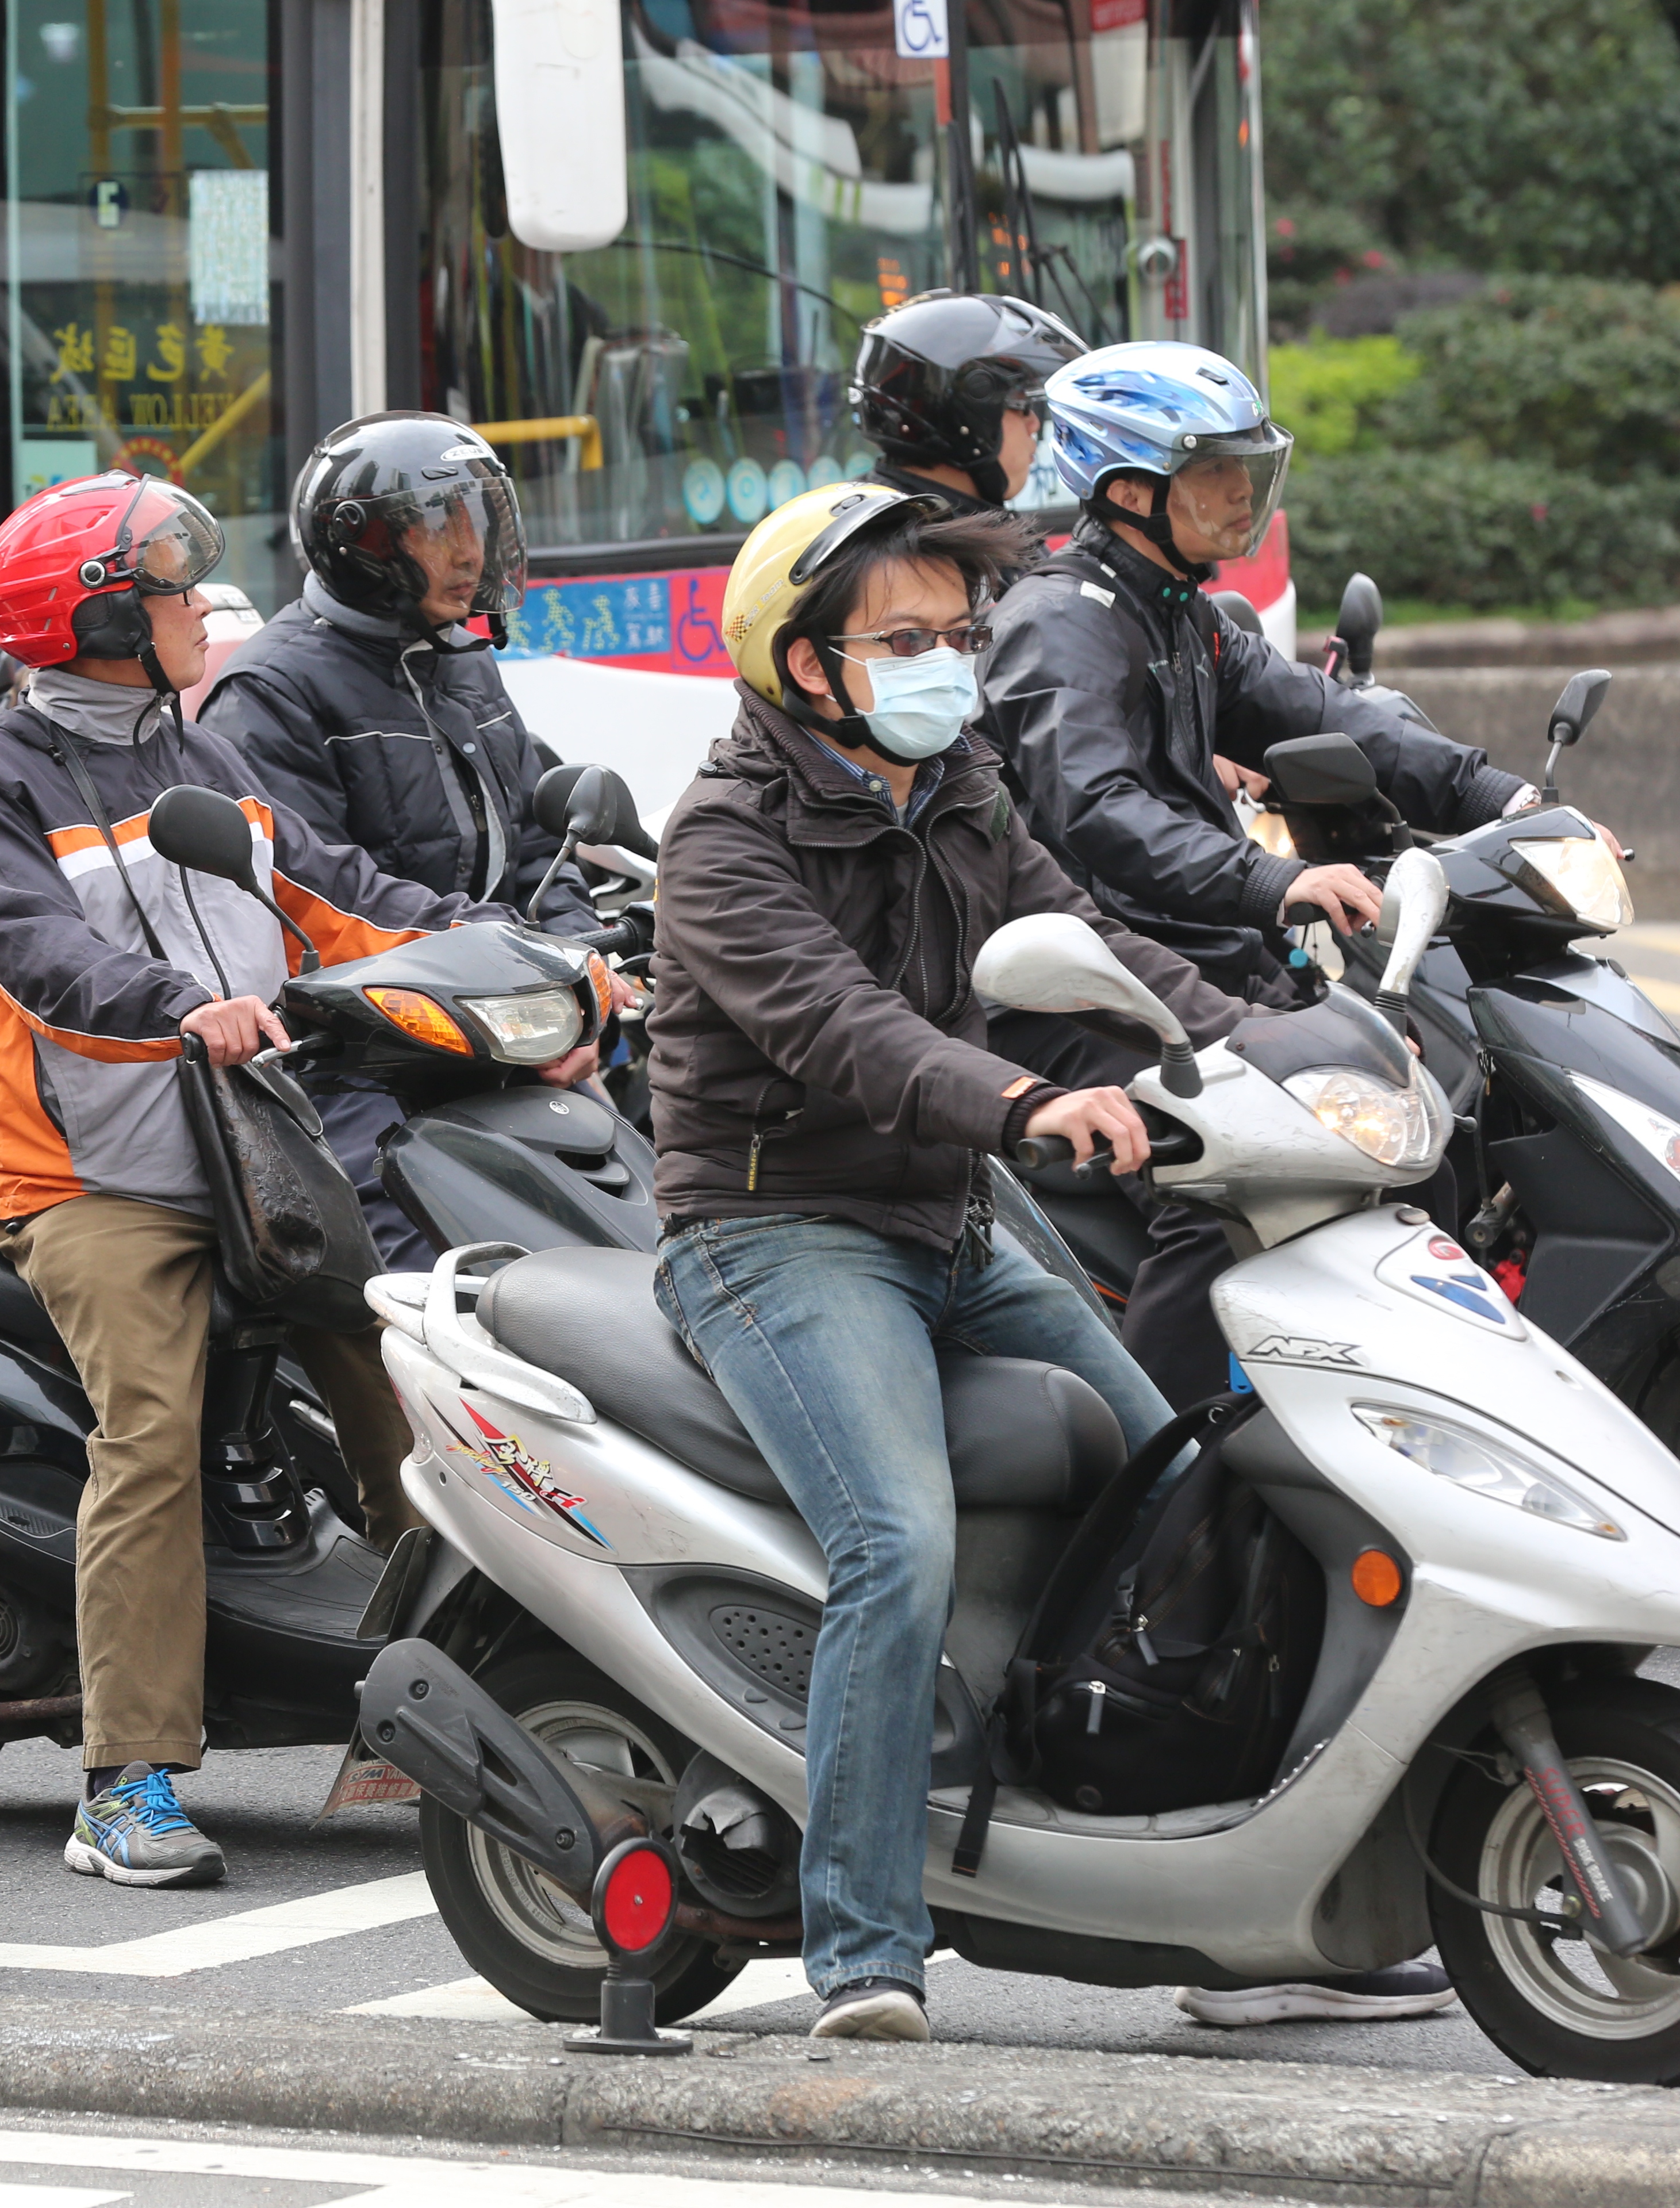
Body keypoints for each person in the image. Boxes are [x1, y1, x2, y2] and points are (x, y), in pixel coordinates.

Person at [650, 479, 1453, 2041]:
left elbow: (1090, 945)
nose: (946, 661)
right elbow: (844, 1029)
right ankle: (863, 1945)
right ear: (807, 663)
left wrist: (1281, 1045)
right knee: (896, 1543)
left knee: (1193, 1498)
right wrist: (1024, 1101)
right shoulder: (724, 839)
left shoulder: (954, 784)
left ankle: (1223, 1916)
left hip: (950, 1219)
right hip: (772, 1232)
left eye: (956, 633)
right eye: (906, 638)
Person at [0, 471, 587, 1889]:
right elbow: (38, 958)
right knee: (149, 1434)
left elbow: (339, 894)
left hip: (248, 1147)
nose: (199, 613)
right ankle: (126, 1779)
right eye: (169, 592)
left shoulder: (195, 756)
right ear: (100, 619)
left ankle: (466, 1708)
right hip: (84, 1175)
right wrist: (181, 1006)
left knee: (418, 1382)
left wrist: (523, 956)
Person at [981, 342, 1531, 1410]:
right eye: (1214, 473)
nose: (1244, 494)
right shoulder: (1061, 623)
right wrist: (1267, 880)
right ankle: (1162, 1455)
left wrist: (1498, 797)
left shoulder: (1178, 613)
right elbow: (1096, 809)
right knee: (1235, 1179)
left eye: (1250, 469)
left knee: (1419, 1122)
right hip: (1078, 985)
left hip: (1185, 960)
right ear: (1130, 491)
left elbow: (1325, 710)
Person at [200, 412, 607, 1268]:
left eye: (481, 524)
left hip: (501, 1020)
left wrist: (579, 971)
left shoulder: (461, 656)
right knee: (436, 1291)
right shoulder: (272, 690)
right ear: (368, 545)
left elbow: (537, 842)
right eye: (441, 529)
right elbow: (320, 891)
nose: (471, 553)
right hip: (361, 1061)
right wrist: (506, 955)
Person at [850, 291, 1090, 518]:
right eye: (1022, 405)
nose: (1034, 424)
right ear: (967, 415)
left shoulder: (882, 523)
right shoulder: (929, 543)